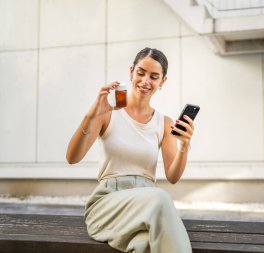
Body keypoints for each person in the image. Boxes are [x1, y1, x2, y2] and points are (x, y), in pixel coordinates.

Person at [66, 47, 194, 253]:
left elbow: (173, 176)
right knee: (160, 197)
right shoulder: (108, 113)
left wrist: (185, 145)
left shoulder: (165, 123)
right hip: (108, 205)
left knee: (144, 246)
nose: (145, 81)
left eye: (154, 76)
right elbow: (72, 158)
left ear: (163, 81)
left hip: (147, 207)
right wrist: (91, 115)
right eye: (141, 73)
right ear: (131, 71)